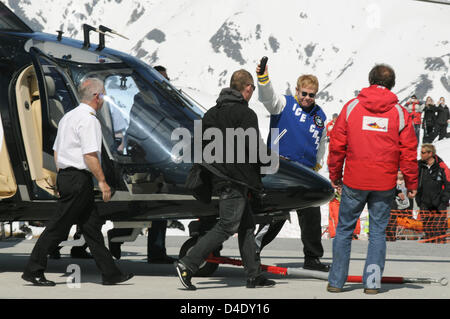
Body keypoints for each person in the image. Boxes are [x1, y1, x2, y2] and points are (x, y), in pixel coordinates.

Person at [22, 78, 133, 286]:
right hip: (78, 180)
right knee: (58, 227)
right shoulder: (89, 119)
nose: (104, 100)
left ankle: (111, 273)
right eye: (104, 96)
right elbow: (90, 155)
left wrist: (60, 178)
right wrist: (102, 181)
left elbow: (57, 151)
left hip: (68, 177)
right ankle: (33, 270)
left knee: (91, 228)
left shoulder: (68, 117)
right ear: (97, 96)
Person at [174, 69, 276, 290]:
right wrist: (270, 160)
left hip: (219, 180)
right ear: (248, 88)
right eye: (252, 89)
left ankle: (253, 275)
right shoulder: (246, 115)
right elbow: (254, 149)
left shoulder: (210, 114)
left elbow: (201, 149)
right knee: (228, 225)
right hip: (236, 180)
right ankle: (188, 264)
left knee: (247, 226)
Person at [327, 64, 418, 294]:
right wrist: (411, 183)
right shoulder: (399, 113)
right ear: (392, 84)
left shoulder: (351, 108)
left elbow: (337, 146)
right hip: (383, 184)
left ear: (370, 80)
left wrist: (335, 175)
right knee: (377, 233)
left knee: (345, 230)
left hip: (354, 181)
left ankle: (336, 282)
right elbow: (408, 151)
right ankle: (372, 284)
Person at [254, 62, 329, 272]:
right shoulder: (284, 104)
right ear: (297, 90)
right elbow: (267, 97)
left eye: (312, 95)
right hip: (281, 169)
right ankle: (252, 251)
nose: (307, 98)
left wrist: (317, 164)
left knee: (312, 215)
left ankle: (312, 258)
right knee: (275, 216)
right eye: (304, 93)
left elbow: (322, 142)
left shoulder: (319, 116)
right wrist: (263, 79)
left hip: (305, 172)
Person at [416, 144, 450, 244]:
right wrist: (418, 198)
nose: (421, 155)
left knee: (439, 226)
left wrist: (444, 199)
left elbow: (448, 183)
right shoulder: (419, 165)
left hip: (439, 202)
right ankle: (428, 245)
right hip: (424, 201)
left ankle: (439, 244)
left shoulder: (441, 166)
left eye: (423, 152)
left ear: (430, 153)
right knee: (427, 226)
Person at [385, 170, 412, 241]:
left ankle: (391, 235)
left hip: (392, 201)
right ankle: (384, 235)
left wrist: (399, 192)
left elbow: (395, 188)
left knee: (392, 219)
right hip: (382, 200)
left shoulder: (392, 179)